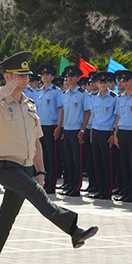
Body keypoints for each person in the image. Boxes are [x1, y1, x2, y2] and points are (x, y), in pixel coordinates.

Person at [0, 51, 98, 264]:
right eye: (19, 76)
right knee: (37, 196)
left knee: (5, 222)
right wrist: (1, 92)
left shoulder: (29, 104)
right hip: (4, 165)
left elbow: (37, 141)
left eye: (26, 75)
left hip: (26, 167)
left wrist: (40, 172)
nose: (25, 79)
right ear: (8, 76)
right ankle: (72, 228)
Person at [111, 70, 132, 202]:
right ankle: (125, 191)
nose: (124, 83)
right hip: (122, 132)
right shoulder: (120, 98)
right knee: (124, 164)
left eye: (127, 81)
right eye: (123, 81)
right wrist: (115, 134)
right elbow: (118, 116)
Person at [57, 65, 89, 196]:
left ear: (77, 78)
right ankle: (69, 185)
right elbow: (63, 112)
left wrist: (82, 130)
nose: (69, 79)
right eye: (67, 77)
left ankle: (76, 187)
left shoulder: (82, 94)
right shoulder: (64, 94)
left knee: (76, 160)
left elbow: (87, 112)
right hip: (67, 129)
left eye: (72, 76)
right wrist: (60, 127)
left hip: (76, 130)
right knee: (68, 160)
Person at [86, 71, 117, 200]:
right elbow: (93, 116)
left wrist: (114, 133)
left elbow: (116, 117)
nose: (103, 85)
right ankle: (100, 189)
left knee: (106, 163)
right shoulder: (94, 97)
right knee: (97, 162)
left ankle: (107, 190)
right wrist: (92, 132)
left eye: (105, 82)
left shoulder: (114, 98)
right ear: (97, 84)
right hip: (97, 131)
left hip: (107, 132)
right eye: (100, 82)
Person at [34, 64, 63, 194]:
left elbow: (61, 109)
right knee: (43, 155)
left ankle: (52, 183)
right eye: (43, 74)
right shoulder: (39, 92)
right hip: (40, 127)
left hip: (51, 126)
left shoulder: (56, 91)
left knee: (52, 156)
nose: (45, 77)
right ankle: (44, 181)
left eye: (48, 75)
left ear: (52, 77)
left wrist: (58, 127)